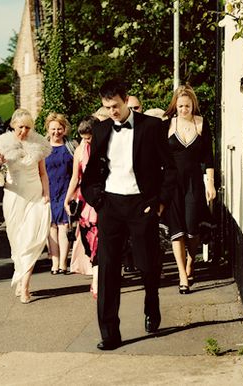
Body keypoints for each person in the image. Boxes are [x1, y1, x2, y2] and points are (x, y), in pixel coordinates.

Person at [81, 79, 177, 350]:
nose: (112, 111)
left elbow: (169, 169)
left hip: (141, 206)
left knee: (148, 265)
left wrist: (158, 204)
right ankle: (109, 334)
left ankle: (151, 303)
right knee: (108, 270)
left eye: (115, 106)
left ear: (126, 100)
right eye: (106, 107)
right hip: (110, 206)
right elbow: (90, 174)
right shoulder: (100, 131)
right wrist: (97, 200)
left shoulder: (152, 127)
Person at [0, 108, 52, 304]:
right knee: (17, 241)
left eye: (27, 127)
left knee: (31, 239)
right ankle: (20, 274)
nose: (24, 131)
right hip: (14, 196)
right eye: (20, 127)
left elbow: (43, 173)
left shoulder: (38, 144)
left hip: (35, 196)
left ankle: (25, 286)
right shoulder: (2, 145)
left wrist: (47, 194)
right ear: (13, 125)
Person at [162, 85, 216, 294]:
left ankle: (191, 261)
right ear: (175, 106)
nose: (184, 109)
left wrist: (210, 183)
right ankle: (182, 275)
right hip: (172, 183)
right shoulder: (167, 125)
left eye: (187, 105)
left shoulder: (202, 124)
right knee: (177, 230)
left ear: (193, 105)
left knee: (192, 228)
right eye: (180, 106)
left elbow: (208, 157)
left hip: (194, 181)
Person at [64, 115, 99, 297]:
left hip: (105, 199)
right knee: (90, 239)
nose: (86, 141)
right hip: (86, 201)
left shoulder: (106, 147)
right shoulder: (80, 150)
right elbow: (75, 178)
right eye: (84, 137)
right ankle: (96, 276)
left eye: (89, 137)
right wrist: (68, 198)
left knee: (102, 241)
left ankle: (98, 279)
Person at [44, 112, 75, 275]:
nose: (56, 132)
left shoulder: (71, 147)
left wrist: (73, 194)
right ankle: (54, 262)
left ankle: (63, 263)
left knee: (64, 227)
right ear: (48, 129)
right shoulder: (42, 148)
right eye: (53, 129)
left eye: (59, 129)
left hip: (65, 192)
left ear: (64, 129)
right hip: (48, 192)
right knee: (51, 228)